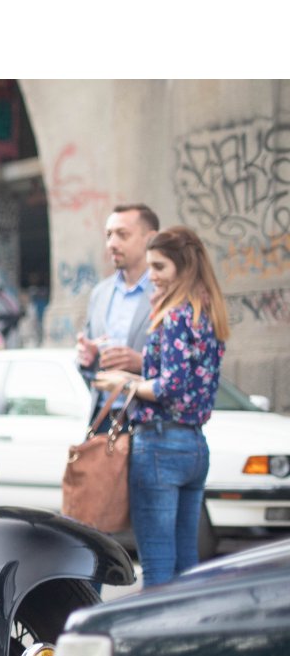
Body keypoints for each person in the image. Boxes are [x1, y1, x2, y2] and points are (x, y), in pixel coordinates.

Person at [93, 226, 229, 587]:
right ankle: (190, 635)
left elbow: (171, 386)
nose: (152, 275)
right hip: (195, 445)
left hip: (159, 446)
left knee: (157, 565)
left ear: (183, 268)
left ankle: (159, 641)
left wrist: (124, 382)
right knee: (187, 562)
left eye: (160, 267)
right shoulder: (207, 314)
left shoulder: (177, 315)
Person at [77, 204, 159, 430]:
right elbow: (88, 369)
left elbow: (183, 369)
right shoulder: (100, 293)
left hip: (147, 422)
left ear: (149, 239)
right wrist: (88, 357)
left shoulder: (166, 291)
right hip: (103, 419)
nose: (112, 244)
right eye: (108, 235)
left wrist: (141, 363)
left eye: (122, 235)